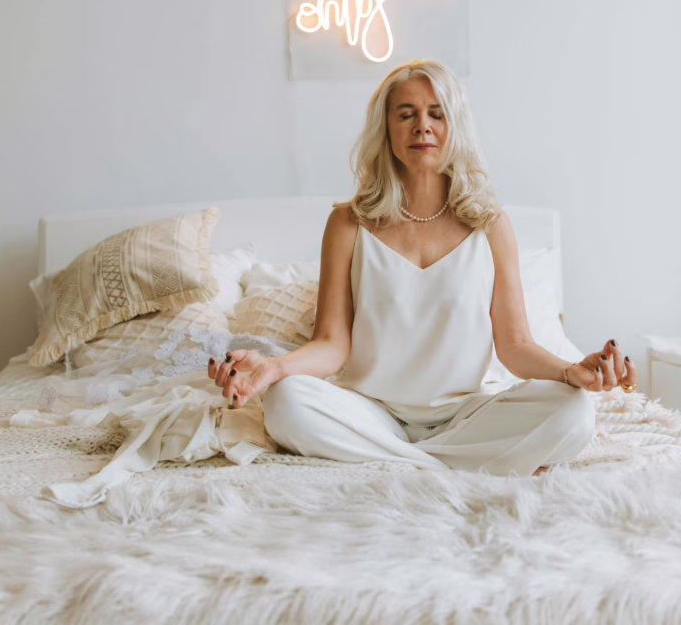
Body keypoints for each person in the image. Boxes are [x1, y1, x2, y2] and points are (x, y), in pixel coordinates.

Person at [207, 59, 638, 476]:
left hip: (468, 414)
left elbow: (516, 345)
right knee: (286, 402)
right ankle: (457, 464)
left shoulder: (491, 225)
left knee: (574, 413)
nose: (422, 126)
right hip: (370, 411)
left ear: (455, 126)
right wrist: (276, 368)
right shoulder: (347, 223)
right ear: (386, 128)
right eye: (406, 114)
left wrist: (568, 371)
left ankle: (403, 460)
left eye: (437, 113)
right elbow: (332, 344)